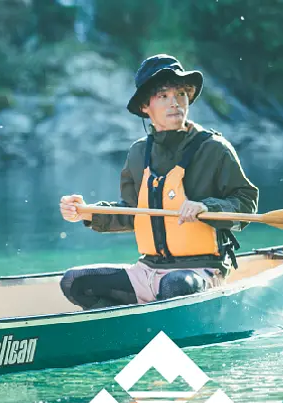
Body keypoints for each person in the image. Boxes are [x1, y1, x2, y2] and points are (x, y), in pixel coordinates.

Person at [58, 54, 259, 309]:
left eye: (181, 94)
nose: (175, 103)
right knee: (73, 281)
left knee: (174, 286)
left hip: (200, 272)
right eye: (163, 96)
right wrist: (87, 213)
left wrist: (208, 208)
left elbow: (245, 201)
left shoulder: (215, 149)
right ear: (145, 106)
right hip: (148, 271)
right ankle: (126, 333)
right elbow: (131, 212)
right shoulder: (138, 154)